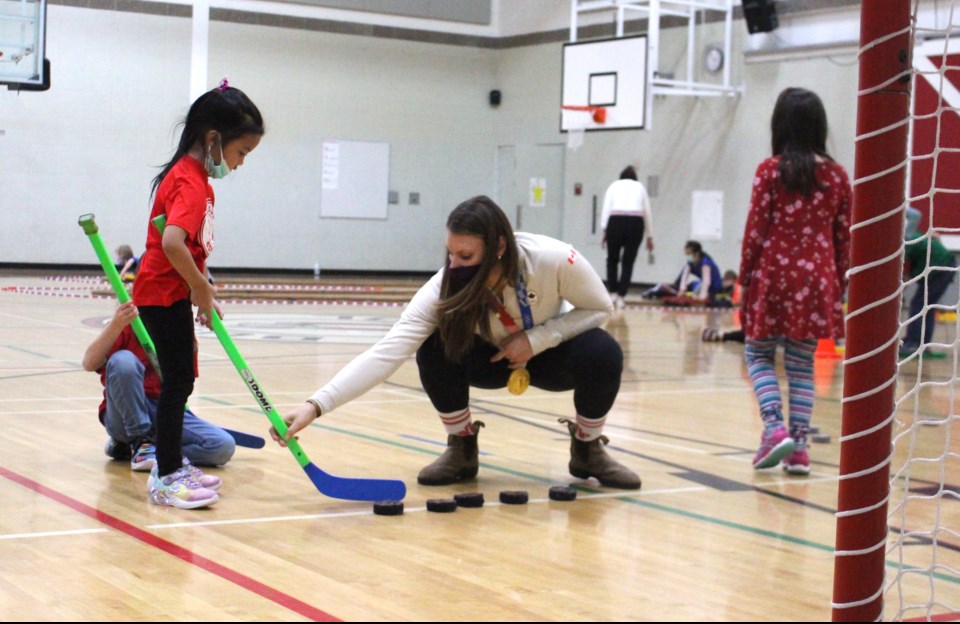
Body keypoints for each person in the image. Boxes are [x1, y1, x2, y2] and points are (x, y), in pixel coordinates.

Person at [272, 195, 641, 490]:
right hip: (488, 362)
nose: (455, 264)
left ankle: (588, 450)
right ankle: (461, 447)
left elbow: (599, 307)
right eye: (451, 253)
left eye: (465, 256)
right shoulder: (442, 287)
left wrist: (538, 339)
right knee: (432, 345)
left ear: (498, 247)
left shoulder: (554, 259)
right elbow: (387, 352)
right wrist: (314, 406)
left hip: (546, 357)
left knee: (603, 351)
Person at [132, 78, 264, 509]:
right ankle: (167, 475)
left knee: (179, 383)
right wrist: (196, 288)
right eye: (241, 152)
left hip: (170, 293)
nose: (240, 163)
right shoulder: (190, 182)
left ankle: (169, 464)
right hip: (161, 294)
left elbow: (187, 248)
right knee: (178, 385)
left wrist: (201, 288)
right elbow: (171, 242)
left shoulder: (193, 178)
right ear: (213, 139)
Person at [739, 87, 851, 475]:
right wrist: (840, 285)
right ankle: (799, 448)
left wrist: (745, 279)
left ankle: (774, 428)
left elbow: (756, 230)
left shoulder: (770, 171)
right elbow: (844, 237)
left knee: (757, 354)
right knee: (803, 366)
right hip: (818, 279)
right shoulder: (837, 176)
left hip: (774, 276)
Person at [82, 301, 236, 471]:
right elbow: (89, 363)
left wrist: (204, 297)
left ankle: (145, 448)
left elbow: (182, 388)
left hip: (161, 410)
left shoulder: (183, 335)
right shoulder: (131, 325)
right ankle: (140, 439)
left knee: (222, 447)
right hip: (124, 412)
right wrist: (116, 324)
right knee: (123, 361)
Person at [900, 206, 956, 359]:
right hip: (941, 266)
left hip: (940, 267)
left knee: (920, 305)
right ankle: (917, 342)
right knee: (925, 306)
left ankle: (915, 343)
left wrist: (895, 205)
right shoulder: (906, 240)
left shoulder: (905, 238)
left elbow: (915, 214)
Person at [601, 165, 654, 309]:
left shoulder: (614, 186)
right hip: (635, 223)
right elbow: (647, 212)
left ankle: (612, 293)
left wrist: (604, 230)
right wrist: (650, 236)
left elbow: (606, 209)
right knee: (628, 262)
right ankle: (621, 297)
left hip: (615, 221)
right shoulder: (640, 187)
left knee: (612, 259)